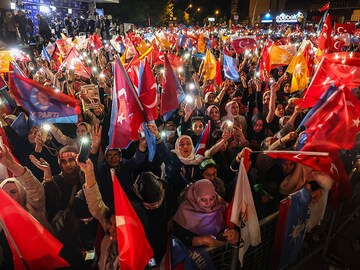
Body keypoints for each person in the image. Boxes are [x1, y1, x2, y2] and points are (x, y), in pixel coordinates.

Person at [172, 179, 238, 248]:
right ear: (195, 197)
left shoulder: (220, 205)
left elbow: (230, 228)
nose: (208, 203)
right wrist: (199, 240)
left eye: (211, 198)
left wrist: (234, 235)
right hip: (196, 256)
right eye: (203, 200)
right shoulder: (184, 211)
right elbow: (178, 236)